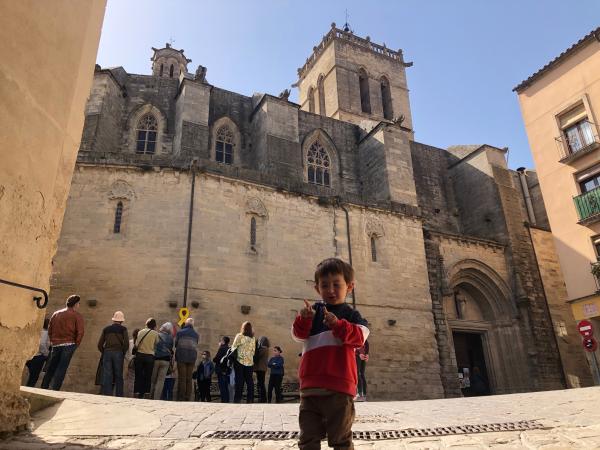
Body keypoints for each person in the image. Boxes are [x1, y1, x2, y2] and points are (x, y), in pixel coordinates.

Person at [292, 258, 369, 450]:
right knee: (307, 439)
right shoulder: (312, 313)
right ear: (317, 289)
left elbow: (361, 337)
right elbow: (297, 336)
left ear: (349, 287)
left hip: (339, 391)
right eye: (325, 285)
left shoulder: (351, 315)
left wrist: (338, 325)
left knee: (340, 440)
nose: (331, 290)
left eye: (336, 284)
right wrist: (303, 319)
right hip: (310, 389)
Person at [41, 295, 85, 391]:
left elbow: (50, 329)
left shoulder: (56, 314)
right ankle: (55, 389)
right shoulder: (77, 316)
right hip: (69, 344)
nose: (79, 305)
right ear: (76, 304)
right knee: (62, 367)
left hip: (56, 344)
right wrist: (75, 345)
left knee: (51, 367)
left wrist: (53, 341)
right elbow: (80, 332)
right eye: (79, 303)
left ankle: (44, 386)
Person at [97, 311, 129, 397]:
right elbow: (126, 344)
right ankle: (119, 395)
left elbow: (99, 344)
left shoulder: (106, 329)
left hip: (107, 352)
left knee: (108, 375)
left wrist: (104, 352)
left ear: (114, 320)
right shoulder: (124, 329)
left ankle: (108, 395)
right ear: (121, 321)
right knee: (119, 375)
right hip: (118, 353)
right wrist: (123, 352)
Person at [175, 317, 199, 401]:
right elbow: (196, 344)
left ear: (185, 324)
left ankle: (181, 397)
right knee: (189, 378)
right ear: (192, 325)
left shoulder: (180, 332)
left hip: (181, 356)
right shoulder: (196, 334)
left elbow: (176, 344)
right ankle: (187, 397)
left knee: (182, 378)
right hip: (192, 358)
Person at [231, 321, 256, 403]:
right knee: (249, 381)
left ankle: (237, 399)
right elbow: (253, 351)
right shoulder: (253, 338)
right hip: (250, 362)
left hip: (239, 361)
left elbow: (233, 347)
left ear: (243, 328)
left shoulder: (239, 336)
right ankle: (250, 399)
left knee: (239, 381)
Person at [134, 318, 159, 398]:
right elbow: (157, 343)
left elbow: (136, 344)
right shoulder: (155, 333)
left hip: (140, 355)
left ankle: (137, 392)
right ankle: (146, 393)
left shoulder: (140, 332)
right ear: (154, 325)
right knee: (148, 376)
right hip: (149, 356)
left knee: (138, 375)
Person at [151, 322, 174, 400]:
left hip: (156, 359)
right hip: (165, 361)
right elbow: (170, 349)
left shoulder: (157, 335)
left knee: (153, 380)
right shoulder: (171, 338)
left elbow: (153, 347)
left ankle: (150, 396)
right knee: (160, 381)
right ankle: (156, 398)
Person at [25, 318, 50, 387]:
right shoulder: (45, 332)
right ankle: (28, 390)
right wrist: (46, 353)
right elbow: (42, 344)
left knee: (31, 375)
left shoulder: (35, 331)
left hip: (29, 355)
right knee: (34, 377)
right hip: (38, 356)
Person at [213, 336, 231, 402]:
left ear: (223, 341)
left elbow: (216, 359)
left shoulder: (222, 348)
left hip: (221, 369)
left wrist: (214, 359)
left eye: (221, 341)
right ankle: (226, 400)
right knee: (226, 386)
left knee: (222, 386)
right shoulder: (229, 349)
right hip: (227, 370)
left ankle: (224, 400)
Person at [253, 336, 270, 403]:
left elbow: (257, 356)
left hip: (260, 368)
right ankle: (262, 398)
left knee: (260, 383)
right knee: (260, 383)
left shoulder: (263, 349)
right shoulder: (266, 349)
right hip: (262, 368)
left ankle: (262, 398)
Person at [124, 328, 139, 397]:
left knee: (130, 381)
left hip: (131, 363)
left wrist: (129, 360)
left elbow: (126, 355)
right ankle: (137, 396)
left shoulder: (130, 342)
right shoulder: (140, 343)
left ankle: (130, 396)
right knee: (138, 380)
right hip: (139, 363)